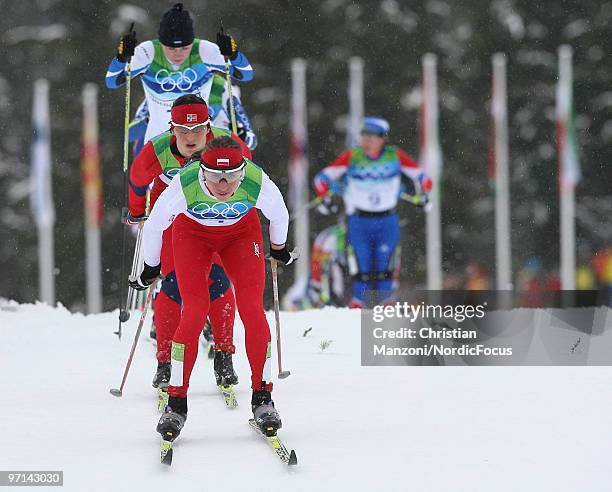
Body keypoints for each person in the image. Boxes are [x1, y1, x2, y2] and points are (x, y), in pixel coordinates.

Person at [131, 136, 296, 440]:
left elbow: (279, 212)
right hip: (193, 236)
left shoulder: (257, 180)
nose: (223, 185)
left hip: (241, 237)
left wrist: (278, 248)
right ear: (201, 171)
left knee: (251, 310)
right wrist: (151, 266)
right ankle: (176, 402)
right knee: (194, 311)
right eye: (215, 177)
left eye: (232, 176)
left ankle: (263, 398)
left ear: (242, 172)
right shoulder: (185, 183)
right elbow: (155, 224)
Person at [127, 94, 251, 400]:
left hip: (213, 214)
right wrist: (135, 210)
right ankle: (165, 363)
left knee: (218, 283)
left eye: (199, 130)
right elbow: (136, 179)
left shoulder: (225, 143)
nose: (192, 137)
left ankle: (224, 355)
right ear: (172, 128)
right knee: (173, 286)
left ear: (209, 127)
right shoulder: (157, 149)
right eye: (183, 130)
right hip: (171, 216)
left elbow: (251, 177)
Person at [313, 116, 431, 308]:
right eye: (364, 136)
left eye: (372, 136)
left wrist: (424, 193)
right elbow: (322, 178)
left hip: (387, 220)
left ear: (383, 138)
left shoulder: (395, 156)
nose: (367, 141)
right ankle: (358, 305)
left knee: (386, 265)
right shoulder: (353, 156)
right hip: (359, 220)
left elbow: (423, 176)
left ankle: (387, 305)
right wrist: (324, 196)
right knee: (361, 265)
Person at [105, 2, 253, 144]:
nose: (178, 54)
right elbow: (111, 81)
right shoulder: (148, 52)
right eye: (170, 48)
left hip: (197, 140)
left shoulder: (204, 50)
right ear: (161, 42)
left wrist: (234, 55)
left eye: (185, 48)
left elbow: (246, 75)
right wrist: (121, 58)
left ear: (192, 42)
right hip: (158, 140)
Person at [128, 75, 258, 157]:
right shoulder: (168, 87)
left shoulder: (221, 87)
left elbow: (251, 140)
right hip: (170, 155)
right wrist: (155, 118)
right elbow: (130, 134)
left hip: (208, 158)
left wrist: (241, 136)